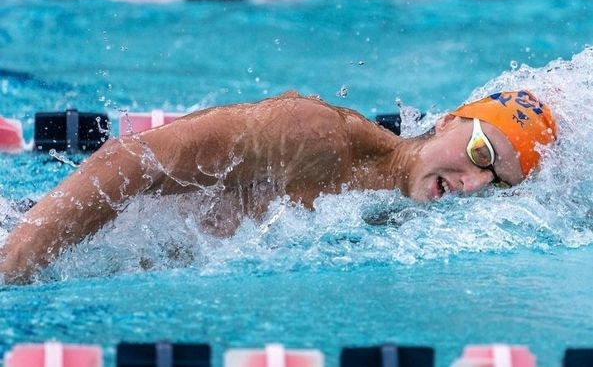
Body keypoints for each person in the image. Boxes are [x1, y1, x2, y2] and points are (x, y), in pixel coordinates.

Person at [0, 89, 557, 284]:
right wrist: (14, 264)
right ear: (446, 123)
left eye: (494, 182)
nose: (471, 184)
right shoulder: (316, 135)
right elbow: (130, 161)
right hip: (31, 227)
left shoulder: (403, 216)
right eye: (480, 154)